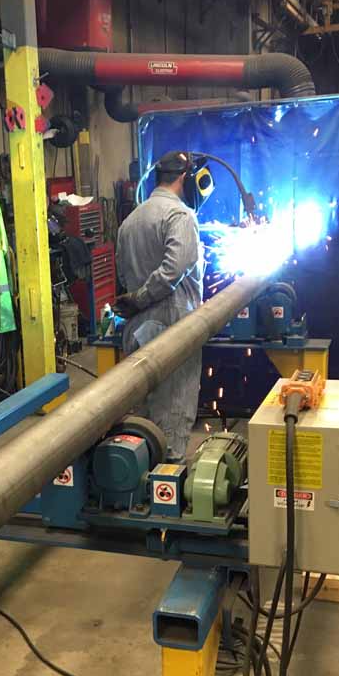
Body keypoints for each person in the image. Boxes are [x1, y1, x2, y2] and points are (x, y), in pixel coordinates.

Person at [114, 151, 205, 462]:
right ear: (184, 178)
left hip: (137, 328)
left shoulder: (130, 221)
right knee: (174, 410)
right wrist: (142, 297)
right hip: (173, 328)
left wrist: (136, 300)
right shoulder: (180, 217)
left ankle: (137, 476)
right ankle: (167, 487)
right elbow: (173, 272)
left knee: (141, 413)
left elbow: (123, 274)